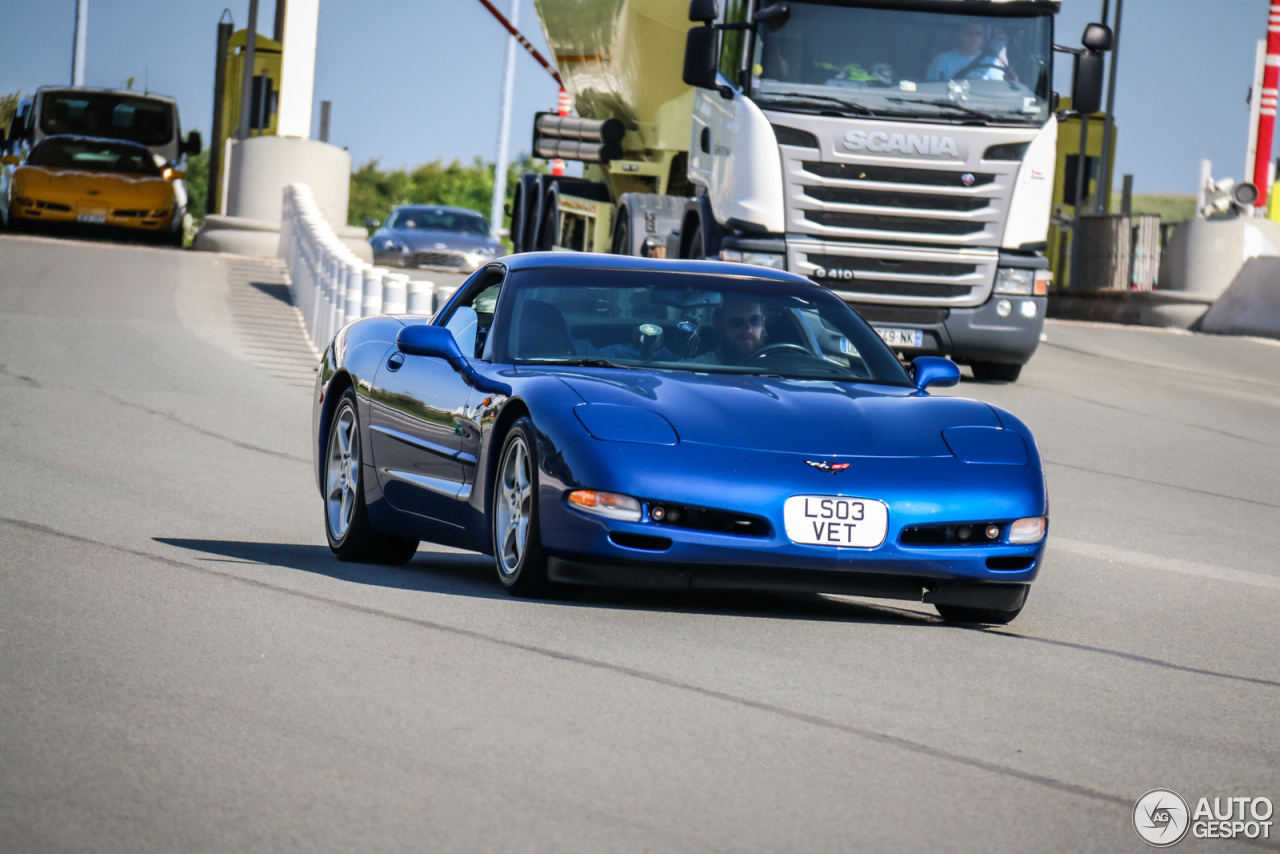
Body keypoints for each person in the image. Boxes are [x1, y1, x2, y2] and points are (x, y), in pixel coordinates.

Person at [685, 296, 768, 366]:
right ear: (717, 323)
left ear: (763, 324)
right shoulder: (692, 371)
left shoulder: (773, 369)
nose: (748, 329)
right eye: (737, 321)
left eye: (756, 320)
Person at [927, 23, 1006, 81]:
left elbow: (999, 88)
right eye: (968, 33)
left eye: (978, 33)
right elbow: (930, 87)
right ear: (959, 34)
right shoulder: (942, 60)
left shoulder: (991, 62)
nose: (974, 37)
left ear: (983, 36)